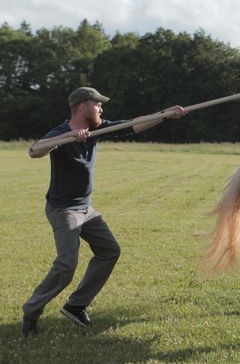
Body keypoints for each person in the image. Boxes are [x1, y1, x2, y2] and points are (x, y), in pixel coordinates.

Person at [21, 87, 186, 337]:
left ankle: (75, 305)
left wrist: (165, 114)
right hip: (64, 210)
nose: (101, 108)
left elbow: (133, 125)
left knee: (109, 251)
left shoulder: (98, 128)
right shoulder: (62, 133)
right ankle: (31, 312)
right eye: (97, 104)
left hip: (86, 210)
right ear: (82, 106)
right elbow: (34, 150)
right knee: (66, 266)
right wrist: (69, 137)